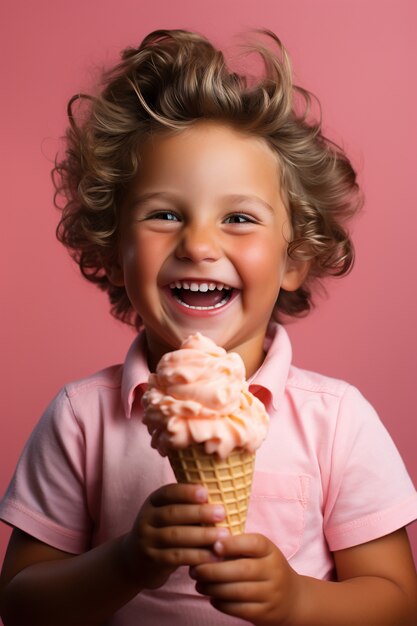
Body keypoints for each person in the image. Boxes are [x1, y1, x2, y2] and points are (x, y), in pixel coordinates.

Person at [0, 28, 416, 626]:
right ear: (117, 248)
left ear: (294, 260)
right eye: (165, 214)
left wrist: (298, 600)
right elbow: (20, 603)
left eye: (239, 217)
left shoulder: (337, 420)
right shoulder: (80, 418)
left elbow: (399, 604)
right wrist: (124, 562)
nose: (198, 244)